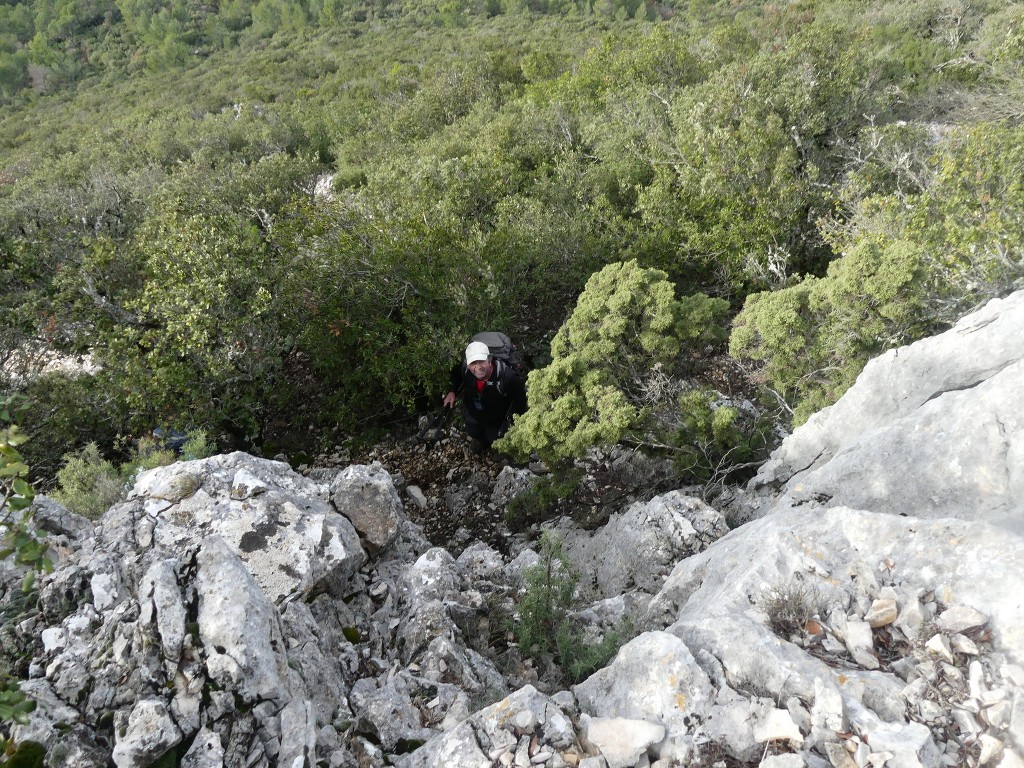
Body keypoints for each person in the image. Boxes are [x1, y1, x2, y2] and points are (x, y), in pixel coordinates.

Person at [443, 341, 527, 452]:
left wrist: (511, 424)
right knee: (473, 431)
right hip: (473, 413)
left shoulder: (508, 377)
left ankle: (499, 448)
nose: (478, 367)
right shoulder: (465, 369)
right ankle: (481, 441)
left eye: (481, 361)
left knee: (495, 439)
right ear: (468, 364)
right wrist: (452, 391)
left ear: (489, 359)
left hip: (495, 420)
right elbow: (456, 374)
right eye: (473, 363)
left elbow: (520, 403)